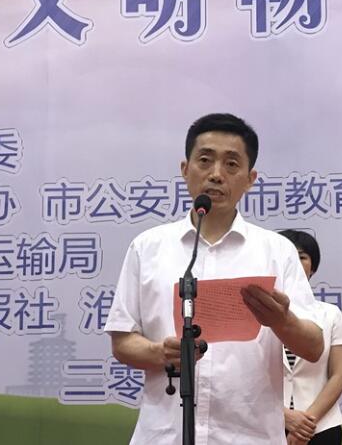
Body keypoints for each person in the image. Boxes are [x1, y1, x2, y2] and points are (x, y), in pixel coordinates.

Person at [104, 113, 323, 445]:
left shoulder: (277, 251)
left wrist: (283, 321)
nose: (216, 174)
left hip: (249, 437)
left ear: (250, 179)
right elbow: (122, 342)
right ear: (185, 169)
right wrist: (160, 352)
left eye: (231, 164)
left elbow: (314, 346)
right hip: (164, 435)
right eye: (205, 160)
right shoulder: (147, 248)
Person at [279, 230, 342, 445]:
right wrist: (285, 416)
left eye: (301, 256)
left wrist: (305, 425)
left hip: (321, 426)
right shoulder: (256, 315)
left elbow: (339, 375)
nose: (294, 261)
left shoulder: (331, 314)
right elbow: (246, 379)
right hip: (266, 424)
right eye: (287, 255)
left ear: (313, 267)